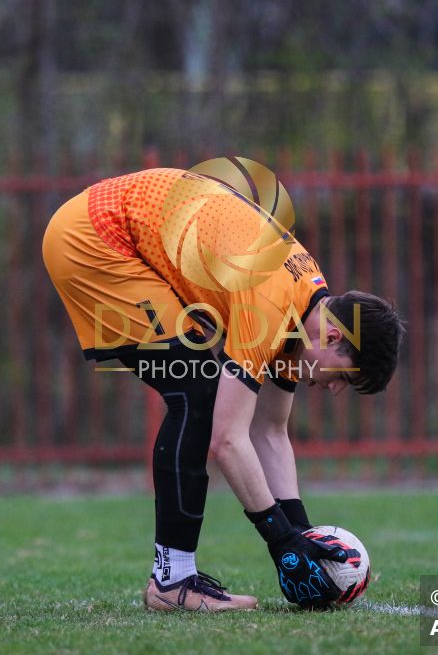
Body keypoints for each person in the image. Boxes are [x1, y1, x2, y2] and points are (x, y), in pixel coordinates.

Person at [42, 164, 404, 612]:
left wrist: (302, 537)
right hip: (95, 236)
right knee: (196, 395)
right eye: (344, 378)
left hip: (112, 230)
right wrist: (280, 540)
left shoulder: (308, 305)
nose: (332, 390)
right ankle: (172, 583)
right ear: (334, 338)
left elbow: (270, 431)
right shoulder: (271, 302)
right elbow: (228, 440)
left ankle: (173, 578)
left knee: (200, 391)